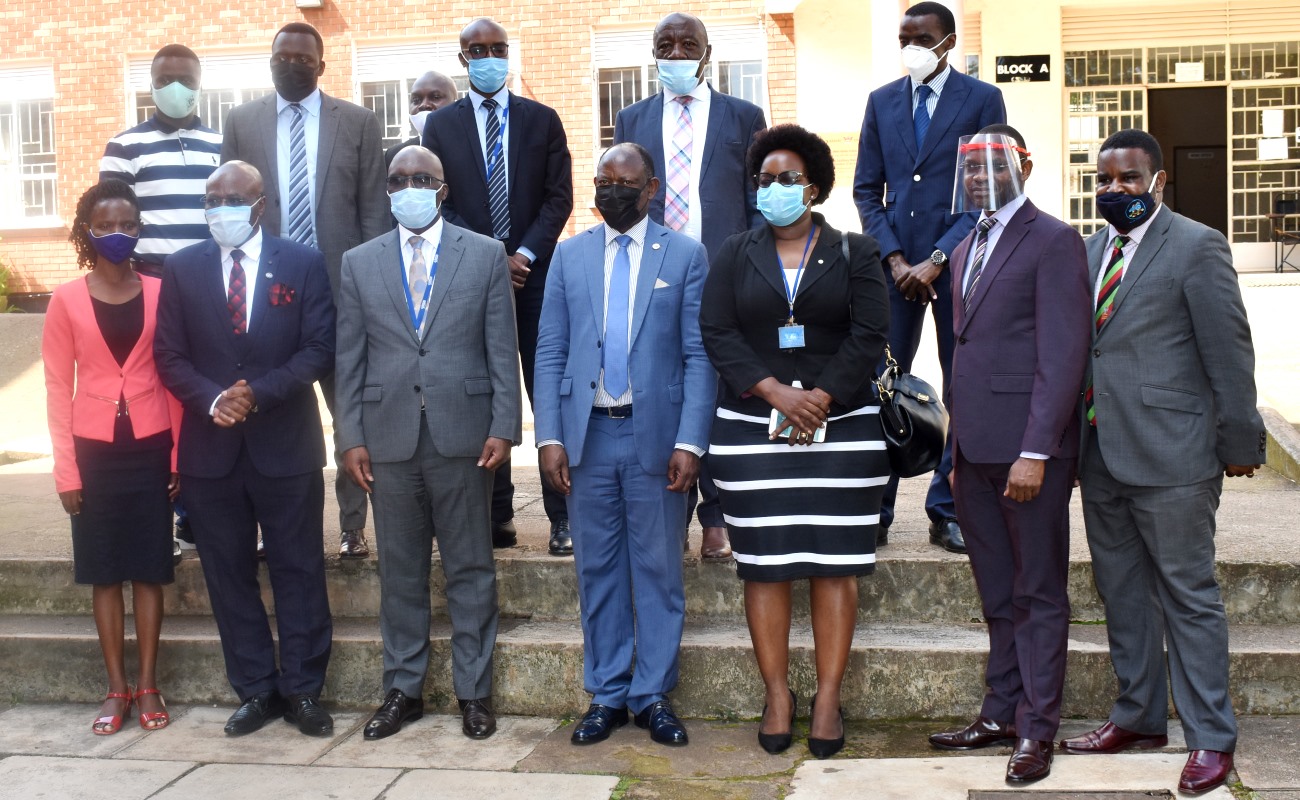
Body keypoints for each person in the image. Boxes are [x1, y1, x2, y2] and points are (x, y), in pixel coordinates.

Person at [1059, 128, 1266, 797]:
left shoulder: (1198, 246)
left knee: (1188, 597)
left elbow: (1229, 351)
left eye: (1127, 179)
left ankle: (1211, 738)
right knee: (1122, 595)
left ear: (1157, 181)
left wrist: (1239, 441)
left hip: (1175, 456)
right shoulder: (1089, 251)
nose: (1113, 190)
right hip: (1103, 455)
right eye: (1104, 180)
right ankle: (1139, 717)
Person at [699, 125, 890, 759]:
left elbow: (870, 333)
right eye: (765, 179)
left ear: (814, 186)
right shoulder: (732, 251)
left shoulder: (855, 251)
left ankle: (829, 697)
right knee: (765, 566)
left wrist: (822, 398)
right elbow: (717, 331)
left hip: (844, 427)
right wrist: (777, 393)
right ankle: (777, 693)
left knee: (835, 567)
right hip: (753, 427)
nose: (775, 189)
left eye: (788, 179)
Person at [335, 146, 521, 742]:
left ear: (442, 189)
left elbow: (502, 347)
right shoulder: (360, 263)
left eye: (421, 179)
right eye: (398, 180)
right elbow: (350, 358)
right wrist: (351, 436)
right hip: (387, 436)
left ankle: (474, 693)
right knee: (401, 570)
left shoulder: (485, 255)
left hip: (464, 436)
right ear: (386, 191)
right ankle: (402, 690)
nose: (408, 187)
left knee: (471, 567)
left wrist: (504, 426)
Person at [533, 142, 714, 748]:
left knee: (659, 568)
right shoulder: (569, 256)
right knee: (598, 568)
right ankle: (607, 691)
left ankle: (652, 694)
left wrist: (691, 439)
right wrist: (550, 435)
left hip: (656, 437)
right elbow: (551, 349)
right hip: (587, 436)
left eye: (623, 181)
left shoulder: (685, 256)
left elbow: (697, 356)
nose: (610, 190)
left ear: (652, 188)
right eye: (601, 180)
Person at [926, 126, 1091, 784]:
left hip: (1029, 456)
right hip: (972, 452)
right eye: (968, 168)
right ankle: (1000, 711)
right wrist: (957, 450)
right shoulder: (966, 244)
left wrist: (1036, 451)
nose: (977, 178)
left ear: (1026, 165)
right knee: (997, 593)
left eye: (992, 165)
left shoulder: (1053, 240)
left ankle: (1037, 730)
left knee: (1039, 591)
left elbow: (1062, 355)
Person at [154, 161, 337, 738]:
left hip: (286, 445)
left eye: (233, 199)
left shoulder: (302, 264)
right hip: (211, 451)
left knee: (299, 568)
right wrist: (214, 400)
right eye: (212, 199)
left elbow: (318, 348)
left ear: (261, 205)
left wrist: (256, 394)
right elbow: (169, 355)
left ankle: (303, 689)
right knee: (227, 573)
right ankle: (256, 688)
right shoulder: (182, 269)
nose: (221, 209)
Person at [220, 21, 388, 560]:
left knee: (350, 414)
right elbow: (230, 209)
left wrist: (369, 292)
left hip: (340, 293)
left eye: (301, 57)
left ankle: (351, 527)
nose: (289, 64)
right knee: (269, 410)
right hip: (266, 298)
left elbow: (372, 214)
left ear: (321, 64)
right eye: (280, 56)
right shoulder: (241, 121)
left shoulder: (359, 122)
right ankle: (272, 526)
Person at [613, 12, 768, 562]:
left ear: (707, 51)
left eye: (687, 45)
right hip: (655, 277)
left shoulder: (744, 116)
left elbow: (756, 204)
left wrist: (751, 272)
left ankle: (716, 515)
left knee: (723, 392)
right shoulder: (631, 117)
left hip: (722, 273)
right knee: (663, 388)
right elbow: (626, 199)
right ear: (652, 52)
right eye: (665, 45)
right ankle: (670, 512)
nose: (676, 53)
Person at [853, 1, 1006, 553]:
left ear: (947, 42)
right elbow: (866, 190)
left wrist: (938, 257)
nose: (910, 47)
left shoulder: (982, 98)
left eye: (922, 38)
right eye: (904, 38)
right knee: (881, 383)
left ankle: (948, 507)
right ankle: (877, 508)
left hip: (959, 262)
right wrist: (893, 258)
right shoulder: (882, 102)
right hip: (891, 269)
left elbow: (989, 188)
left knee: (958, 381)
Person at [422, 17, 575, 556]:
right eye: (476, 50)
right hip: (473, 278)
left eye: (497, 48)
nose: (488, 57)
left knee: (546, 388)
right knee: (486, 394)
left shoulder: (543, 119)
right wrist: (492, 258)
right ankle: (497, 516)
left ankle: (563, 517)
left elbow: (559, 198)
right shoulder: (440, 126)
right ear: (463, 60)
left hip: (537, 279)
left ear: (508, 55)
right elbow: (443, 199)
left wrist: (523, 254)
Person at [44, 180, 181, 734]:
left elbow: (172, 376)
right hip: (93, 452)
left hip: (150, 447)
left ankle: (147, 684)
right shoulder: (65, 300)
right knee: (104, 573)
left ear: (138, 227)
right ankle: (115, 688)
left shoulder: (159, 291)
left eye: (127, 224)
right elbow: (57, 389)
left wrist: (176, 457)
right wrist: (65, 471)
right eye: (106, 225)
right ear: (88, 230)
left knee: (149, 570)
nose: (118, 234)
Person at [99, 43, 222, 560]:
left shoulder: (223, 142)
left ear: (199, 83)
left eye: (185, 78)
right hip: (150, 282)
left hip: (210, 285)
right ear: (150, 84)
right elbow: (111, 219)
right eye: (165, 78)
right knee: (156, 400)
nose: (176, 87)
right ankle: (168, 520)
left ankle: (204, 516)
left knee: (206, 394)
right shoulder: (124, 146)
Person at [385, 71, 459, 168]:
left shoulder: (471, 150)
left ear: (456, 104)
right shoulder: (393, 155)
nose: (424, 105)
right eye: (416, 100)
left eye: (436, 97)